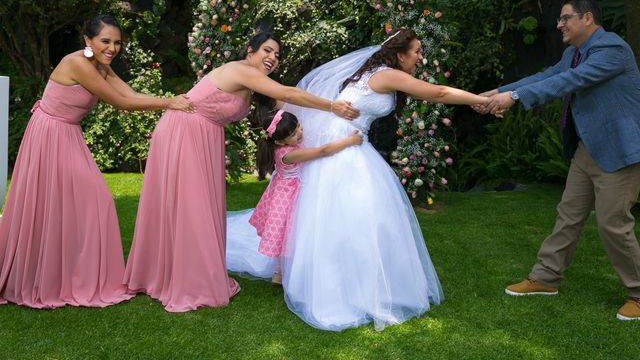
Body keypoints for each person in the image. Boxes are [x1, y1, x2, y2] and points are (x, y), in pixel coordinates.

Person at [227, 28, 492, 331]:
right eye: (417, 51)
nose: (421, 56)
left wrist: (478, 99)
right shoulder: (387, 74)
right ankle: (343, 289)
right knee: (356, 213)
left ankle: (353, 280)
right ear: (399, 54)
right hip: (346, 145)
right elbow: (439, 93)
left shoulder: (380, 73)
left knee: (350, 216)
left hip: (351, 141)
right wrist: (479, 100)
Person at [123, 32, 359, 313]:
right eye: (267, 51)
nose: (272, 58)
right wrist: (332, 106)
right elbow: (287, 92)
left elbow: (288, 103)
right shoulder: (239, 70)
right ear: (250, 50)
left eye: (277, 55)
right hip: (184, 130)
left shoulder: (253, 86)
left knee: (201, 206)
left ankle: (184, 273)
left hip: (204, 135)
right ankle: (183, 279)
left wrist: (333, 112)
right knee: (190, 206)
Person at [0, 14, 194, 308]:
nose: (112, 48)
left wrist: (169, 98)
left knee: (72, 205)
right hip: (49, 134)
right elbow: (121, 103)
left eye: (117, 42)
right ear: (87, 41)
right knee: (95, 200)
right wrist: (168, 102)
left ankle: (69, 274)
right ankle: (72, 278)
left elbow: (129, 92)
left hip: (67, 134)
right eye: (105, 41)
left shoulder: (101, 66)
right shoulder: (78, 63)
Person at [480, 0, 640, 321]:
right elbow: (545, 77)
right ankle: (546, 278)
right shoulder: (574, 53)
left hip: (619, 151)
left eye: (566, 18)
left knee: (613, 224)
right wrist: (498, 92)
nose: (559, 24)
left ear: (588, 18)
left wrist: (514, 97)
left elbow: (571, 81)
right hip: (587, 149)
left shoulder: (611, 50)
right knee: (568, 215)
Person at [250, 109, 363, 284]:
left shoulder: (280, 147)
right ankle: (283, 271)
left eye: (299, 127)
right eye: (294, 134)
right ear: (280, 141)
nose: (300, 133)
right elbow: (323, 151)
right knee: (290, 231)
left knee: (286, 232)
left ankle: (279, 272)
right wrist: (350, 141)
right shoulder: (290, 153)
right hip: (289, 195)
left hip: (282, 190)